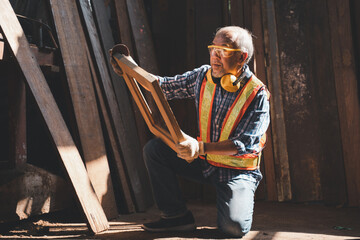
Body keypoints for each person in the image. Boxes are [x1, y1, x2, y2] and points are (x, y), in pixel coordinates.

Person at [110, 26, 270, 237]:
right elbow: (162, 86)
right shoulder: (202, 76)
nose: (215, 56)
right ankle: (175, 217)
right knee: (155, 150)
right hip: (204, 162)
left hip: (237, 172)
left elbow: (245, 145)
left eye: (224, 51)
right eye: (213, 49)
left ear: (242, 57)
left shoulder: (256, 94)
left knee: (233, 229)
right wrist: (130, 69)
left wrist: (200, 147)